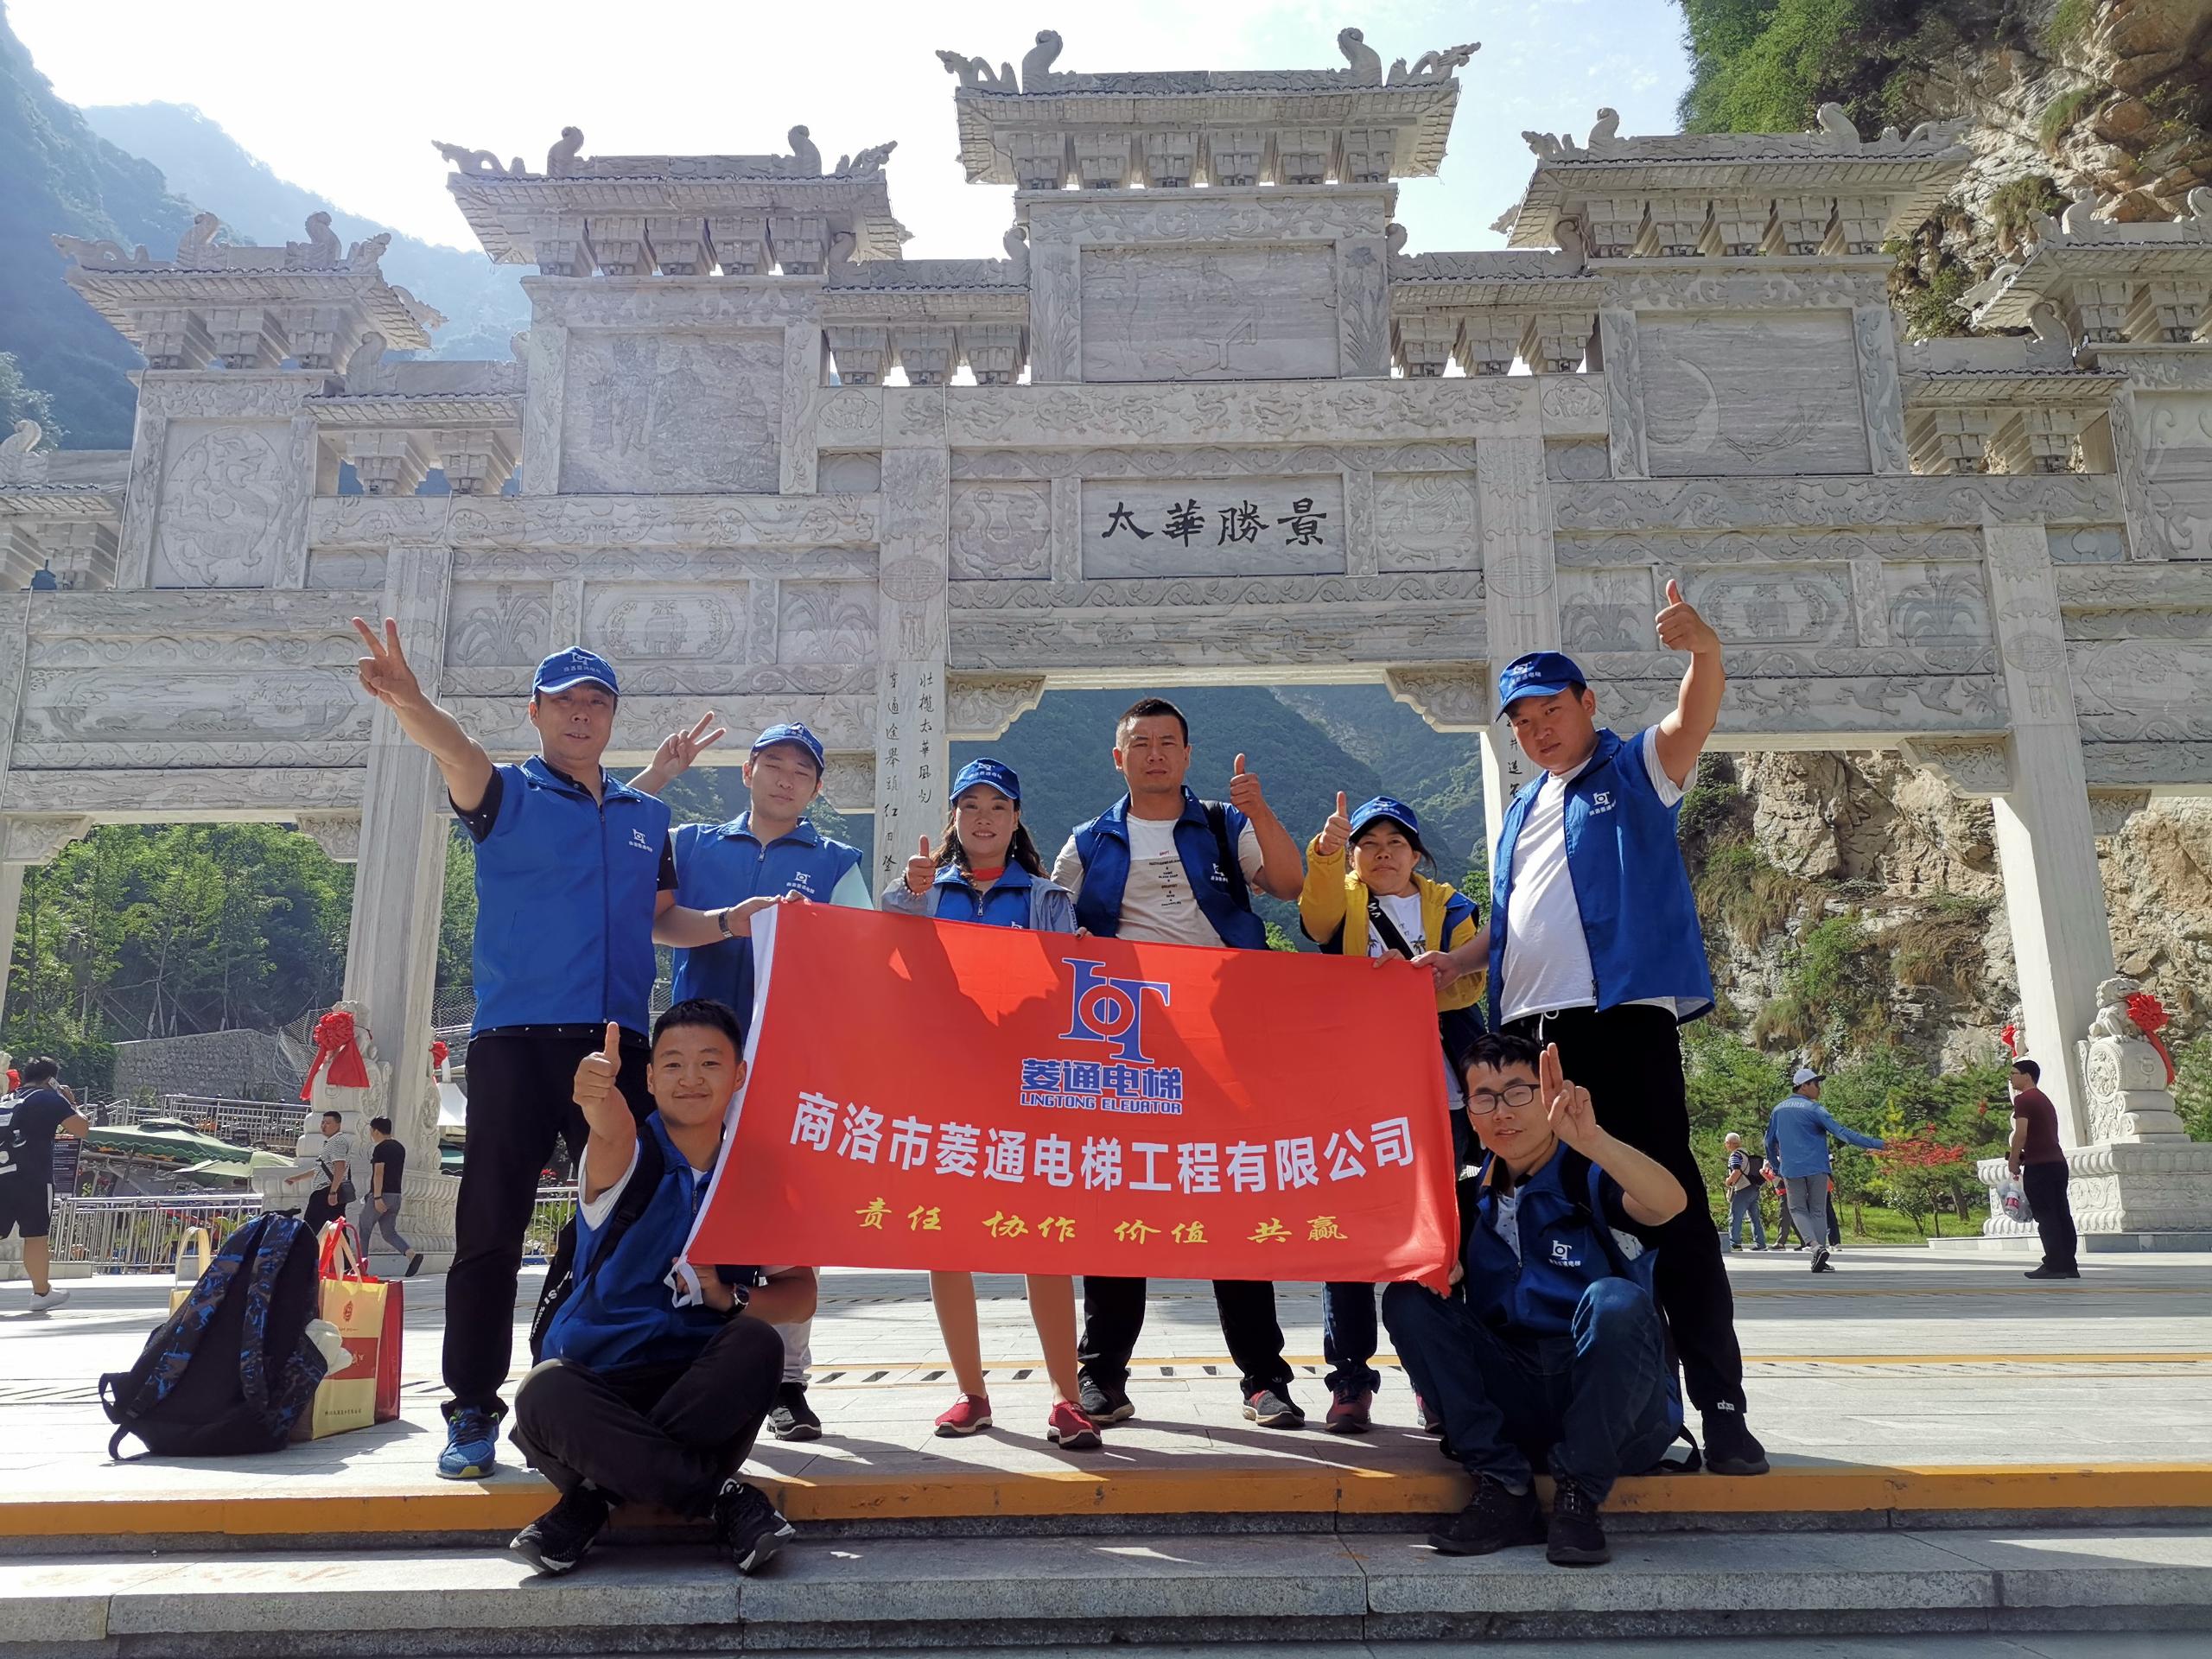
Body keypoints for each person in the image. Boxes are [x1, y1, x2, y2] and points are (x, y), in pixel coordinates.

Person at [351, 619, 765, 1479]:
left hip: (618, 1048)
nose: (581, 713)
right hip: (514, 1044)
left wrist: (730, 921)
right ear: (535, 712)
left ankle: (598, 1373)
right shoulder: (504, 793)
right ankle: (472, 1408)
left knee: (634, 1222)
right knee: (490, 1231)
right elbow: (454, 748)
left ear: (612, 716)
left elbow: (659, 920)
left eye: (596, 702)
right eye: (564, 701)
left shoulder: (647, 816)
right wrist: (412, 702)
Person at [1430, 599, 1768, 1474]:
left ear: (1586, 703)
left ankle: (1721, 1408)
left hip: (1618, 1025)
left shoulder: (1634, 768)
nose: (1539, 730)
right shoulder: (1521, 810)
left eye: (1552, 710)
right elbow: (1514, 920)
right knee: (1554, 1214)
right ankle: (1594, 1404)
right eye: (1522, 721)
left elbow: (1693, 719)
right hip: (1525, 1038)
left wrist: (1703, 652)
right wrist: (1453, 962)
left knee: (1669, 1208)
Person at [1049, 696, 1308, 1428]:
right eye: (1141, 743)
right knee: (1117, 1203)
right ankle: (1102, 1376)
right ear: (1119, 757)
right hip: (1127, 1047)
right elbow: (1048, 929)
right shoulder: (1088, 841)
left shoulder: (1224, 824)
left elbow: (1288, 884)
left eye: (1168, 742)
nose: (1155, 753)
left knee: (1231, 1199)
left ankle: (1264, 1380)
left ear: (1187, 754)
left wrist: (1261, 811)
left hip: (1225, 1035)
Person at [509, 1001, 816, 1577]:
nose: (690, 1078)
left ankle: (593, 1498)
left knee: (757, 1344)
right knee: (543, 1391)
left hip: (700, 1395)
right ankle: (722, 1499)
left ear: (740, 1074)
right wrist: (596, 1097)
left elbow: (800, 1294)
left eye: (709, 1063)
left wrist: (729, 1298)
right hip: (598, 1392)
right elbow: (612, 1127)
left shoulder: (757, 1176)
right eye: (673, 1064)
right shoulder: (630, 1155)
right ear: (649, 1079)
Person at [631, 718, 871, 1444]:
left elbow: (862, 959)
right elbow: (655, 923)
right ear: (748, 771)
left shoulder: (837, 862)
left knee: (785, 1225)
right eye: (774, 765)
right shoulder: (693, 844)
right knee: (684, 1208)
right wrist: (730, 924)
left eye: (802, 771)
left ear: (817, 788)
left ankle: (787, 1380)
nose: (786, 779)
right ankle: (678, 1360)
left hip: (786, 1065)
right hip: (696, 1063)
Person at [1384, 1033, 1683, 1567]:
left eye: (1518, 1093)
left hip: (1614, 1408)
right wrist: (1434, 1273)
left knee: (1616, 1301)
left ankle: (1580, 1496)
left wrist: (1594, 1141)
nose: (1502, 1112)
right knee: (1408, 1298)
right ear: (1469, 1112)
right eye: (1484, 1098)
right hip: (1516, 1398)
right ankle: (1503, 1485)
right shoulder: (1463, 1202)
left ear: (1549, 1098)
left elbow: (1668, 1205)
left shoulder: (1589, 1176)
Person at [882, 758, 1102, 1452]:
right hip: (943, 1087)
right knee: (947, 1241)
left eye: (997, 806)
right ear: (952, 817)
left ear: (1016, 818)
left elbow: (1070, 990)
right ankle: (971, 1394)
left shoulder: (1046, 899)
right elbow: (881, 954)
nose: (983, 818)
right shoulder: (921, 891)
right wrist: (909, 895)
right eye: (970, 805)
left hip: (1027, 1091)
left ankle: (1067, 1399)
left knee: (1044, 1241)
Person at [1299, 791, 1485, 1433]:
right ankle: (1350, 1381)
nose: (1383, 854)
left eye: (1396, 844)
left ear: (1416, 854)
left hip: (1441, 1093)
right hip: (1356, 1091)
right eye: (1369, 845)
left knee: (1438, 1236)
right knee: (1347, 1236)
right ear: (1355, 857)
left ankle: (1436, 1381)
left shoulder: (1452, 907)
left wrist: (1415, 980)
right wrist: (1325, 855)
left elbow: (1471, 981)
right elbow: (1315, 920)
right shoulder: (1342, 898)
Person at [1764, 1068, 1885, 1274]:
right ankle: (1818, 1252)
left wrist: (1776, 1167)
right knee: (1818, 1211)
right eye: (1816, 1084)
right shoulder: (1815, 1109)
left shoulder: (1778, 1110)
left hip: (1791, 1169)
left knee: (1797, 1209)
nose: (1819, 1088)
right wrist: (1877, 1144)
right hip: (1817, 1167)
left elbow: (1769, 1141)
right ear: (1803, 1086)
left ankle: (1815, 1248)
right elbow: (1842, 1133)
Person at [0, 1058, 89, 1312]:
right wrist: (71, 1102)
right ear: (51, 1080)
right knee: (36, 1235)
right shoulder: (49, 1098)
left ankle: (43, 1293)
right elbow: (82, 1129)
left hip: (2, 1173)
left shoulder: (6, 1099)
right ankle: (41, 1293)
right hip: (33, 1176)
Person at [2006, 1058, 2078, 1281]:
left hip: (2040, 1166)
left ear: (2027, 1076)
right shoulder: (2044, 1100)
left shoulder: (2024, 1099)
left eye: (2014, 1073)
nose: (2010, 1078)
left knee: (2046, 1216)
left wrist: (2014, 1159)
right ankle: (2069, 1264)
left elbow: (2021, 1133)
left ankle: (2054, 1265)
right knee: (2061, 1214)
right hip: (2056, 1163)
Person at [359, 1116, 423, 1278]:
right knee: (388, 1232)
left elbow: (379, 1173)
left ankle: (361, 1267)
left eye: (371, 1131)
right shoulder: (400, 1147)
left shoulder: (381, 1148)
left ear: (376, 1131)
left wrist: (377, 1197)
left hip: (382, 1195)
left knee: (364, 1228)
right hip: (396, 1196)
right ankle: (411, 1254)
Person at [1722, 1134, 1766, 1252]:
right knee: (1755, 1217)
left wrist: (1728, 1181)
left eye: (1726, 1143)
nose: (1725, 1145)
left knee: (1735, 1216)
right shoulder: (1745, 1153)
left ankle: (1735, 1243)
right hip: (1753, 1188)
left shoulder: (1735, 1155)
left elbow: (1736, 1171)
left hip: (1743, 1189)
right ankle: (1761, 1243)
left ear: (1730, 1144)